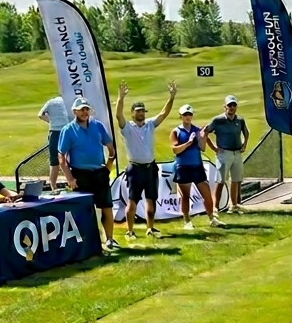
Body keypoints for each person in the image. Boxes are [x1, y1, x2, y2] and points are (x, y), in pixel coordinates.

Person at [116, 81, 177, 239]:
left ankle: (150, 228)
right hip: (135, 169)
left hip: (150, 168)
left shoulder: (150, 124)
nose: (141, 113)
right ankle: (130, 231)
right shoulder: (127, 127)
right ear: (133, 113)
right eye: (138, 111)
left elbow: (164, 114)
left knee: (151, 199)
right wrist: (121, 98)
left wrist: (171, 97)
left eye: (143, 111)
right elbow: (118, 116)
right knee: (132, 200)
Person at [59, 98, 120, 251]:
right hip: (80, 174)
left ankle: (110, 239)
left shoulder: (98, 126)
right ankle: (87, 242)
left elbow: (111, 148)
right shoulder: (68, 130)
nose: (85, 112)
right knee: (84, 209)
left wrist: (108, 166)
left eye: (86, 109)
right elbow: (62, 157)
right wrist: (70, 178)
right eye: (81, 109)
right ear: (75, 112)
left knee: (106, 206)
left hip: (100, 173)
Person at [169, 105, 221, 231]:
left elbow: (202, 148)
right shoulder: (176, 131)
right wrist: (188, 143)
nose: (188, 117)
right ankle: (187, 221)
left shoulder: (197, 130)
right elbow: (175, 150)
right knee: (185, 196)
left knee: (207, 194)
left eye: (189, 114)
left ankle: (211, 218)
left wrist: (202, 138)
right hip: (183, 166)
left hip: (197, 166)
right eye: (185, 115)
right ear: (180, 116)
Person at [207, 95, 251, 214]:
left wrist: (244, 145)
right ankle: (215, 207)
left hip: (237, 153)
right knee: (220, 181)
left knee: (236, 180)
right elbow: (204, 133)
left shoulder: (240, 120)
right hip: (223, 153)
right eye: (229, 105)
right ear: (224, 107)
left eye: (234, 105)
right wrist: (214, 148)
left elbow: (246, 133)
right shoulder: (218, 120)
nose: (231, 107)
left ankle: (234, 205)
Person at [38, 95, 71, 190]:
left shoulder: (50, 102)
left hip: (54, 132)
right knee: (70, 159)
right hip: (67, 130)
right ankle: (71, 183)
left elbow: (40, 115)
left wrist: (51, 121)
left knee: (54, 161)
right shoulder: (68, 101)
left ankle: (53, 187)